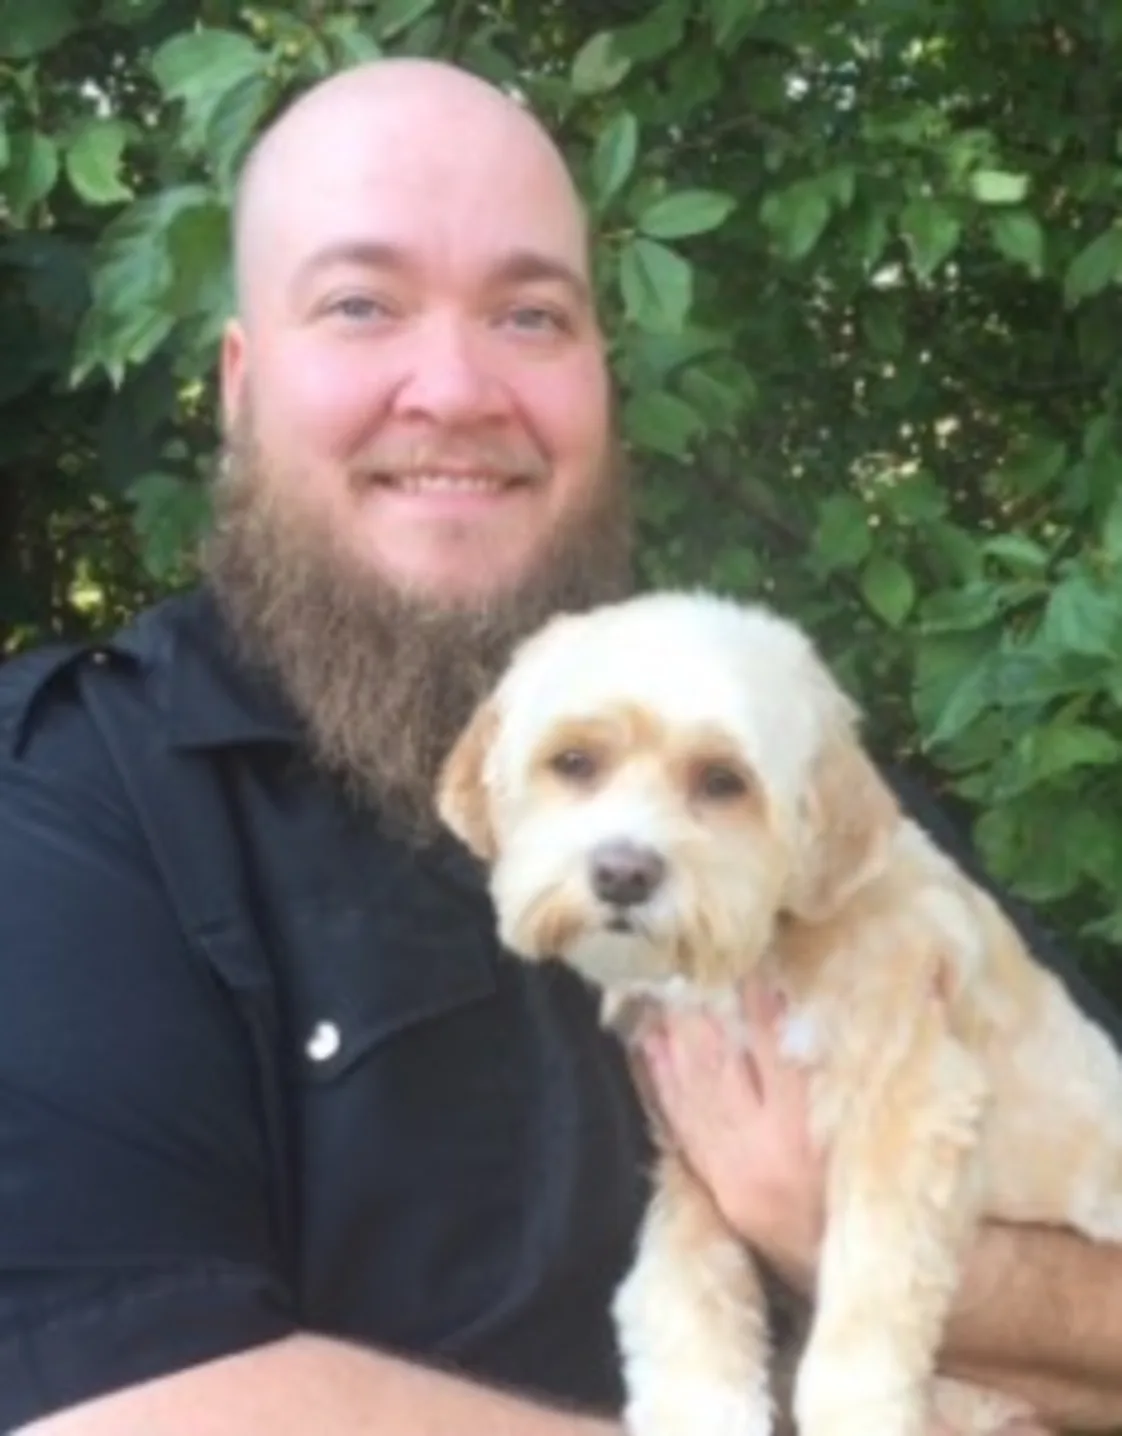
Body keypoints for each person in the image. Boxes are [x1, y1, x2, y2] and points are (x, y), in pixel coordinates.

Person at [1, 55, 1120, 1436]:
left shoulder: (781, 750)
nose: (456, 387)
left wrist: (838, 1234)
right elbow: (113, 1405)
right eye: (361, 305)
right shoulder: (78, 799)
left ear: (600, 374)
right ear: (240, 382)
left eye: (530, 314)